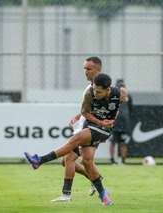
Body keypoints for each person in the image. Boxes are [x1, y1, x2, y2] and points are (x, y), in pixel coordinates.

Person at [25, 73, 127, 206]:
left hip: (104, 130)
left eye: (99, 91)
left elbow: (120, 102)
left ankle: (40, 160)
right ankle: (103, 195)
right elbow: (85, 113)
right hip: (92, 124)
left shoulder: (119, 93)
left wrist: (112, 119)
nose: (96, 93)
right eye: (95, 90)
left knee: (76, 139)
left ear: (108, 89)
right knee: (87, 162)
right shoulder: (89, 93)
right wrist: (100, 121)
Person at [52, 56, 104, 202]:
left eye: (89, 69)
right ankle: (96, 180)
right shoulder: (91, 87)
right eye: (84, 69)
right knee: (70, 161)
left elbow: (103, 109)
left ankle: (66, 195)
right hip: (85, 127)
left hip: (90, 130)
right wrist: (78, 116)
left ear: (98, 69)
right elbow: (90, 109)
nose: (85, 72)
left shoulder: (100, 87)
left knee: (69, 158)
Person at [109, 79, 133, 164]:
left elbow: (130, 109)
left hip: (121, 123)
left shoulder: (128, 96)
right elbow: (130, 110)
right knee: (116, 142)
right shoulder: (112, 95)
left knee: (120, 142)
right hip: (115, 123)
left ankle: (122, 160)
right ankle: (114, 160)